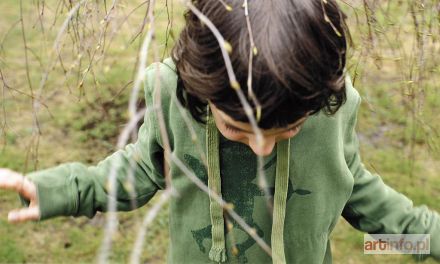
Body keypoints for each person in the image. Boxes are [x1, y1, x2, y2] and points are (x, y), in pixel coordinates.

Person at [0, 0, 439, 263]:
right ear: (199, 88)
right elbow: (139, 171)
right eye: (237, 128)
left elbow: (358, 196)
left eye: (289, 129)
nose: (263, 147)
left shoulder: (332, 108)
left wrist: (426, 239)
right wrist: (63, 190)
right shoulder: (171, 96)